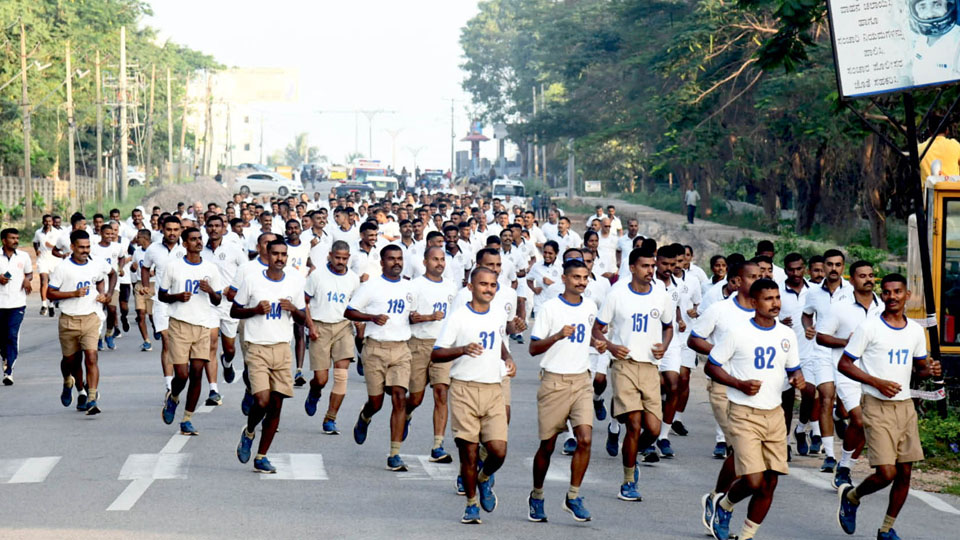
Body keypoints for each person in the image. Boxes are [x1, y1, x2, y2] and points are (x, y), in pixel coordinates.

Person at [837, 273, 940, 540]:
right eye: (886, 292)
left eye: (897, 292)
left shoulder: (916, 331)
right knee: (886, 473)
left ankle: (886, 528)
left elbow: (919, 369)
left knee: (905, 472)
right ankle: (852, 496)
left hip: (905, 406)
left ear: (907, 296)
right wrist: (876, 382)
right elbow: (845, 364)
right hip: (876, 404)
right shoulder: (869, 327)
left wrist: (931, 369)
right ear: (882, 296)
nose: (891, 296)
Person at [705, 278, 805, 540]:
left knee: (771, 481)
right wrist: (738, 382)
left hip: (774, 414)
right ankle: (725, 505)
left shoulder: (786, 334)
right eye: (768, 299)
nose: (775, 304)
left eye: (777, 298)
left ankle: (747, 534)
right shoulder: (738, 333)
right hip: (743, 412)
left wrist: (798, 378)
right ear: (754, 302)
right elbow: (711, 366)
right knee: (753, 480)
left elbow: (793, 368)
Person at [431, 266, 515, 525]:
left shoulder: (498, 314)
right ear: (471, 286)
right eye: (483, 284)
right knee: (467, 452)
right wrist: (462, 350)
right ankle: (471, 504)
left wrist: (508, 357)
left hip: (493, 388)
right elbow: (437, 353)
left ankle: (484, 477)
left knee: (498, 450)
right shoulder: (458, 317)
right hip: (465, 389)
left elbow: (497, 340)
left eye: (492, 285)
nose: (488, 289)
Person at [591, 245, 674, 502]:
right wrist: (612, 346)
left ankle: (631, 454)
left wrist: (665, 345)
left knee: (653, 429)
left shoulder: (661, 296)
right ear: (632, 268)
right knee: (634, 424)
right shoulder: (617, 295)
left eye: (653, 266)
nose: (651, 271)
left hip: (650, 367)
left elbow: (668, 327)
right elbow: (597, 329)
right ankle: (628, 480)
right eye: (645, 266)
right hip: (624, 365)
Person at [527, 259, 604, 523]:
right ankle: (537, 495)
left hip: (582, 380)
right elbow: (534, 348)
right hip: (554, 381)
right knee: (547, 445)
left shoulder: (591, 305)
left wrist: (600, 343)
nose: (581, 282)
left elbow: (590, 334)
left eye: (585, 277)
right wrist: (558, 336)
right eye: (576, 278)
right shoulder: (550, 308)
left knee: (585, 438)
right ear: (564, 278)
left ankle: (573, 496)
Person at [232, 240, 307, 473]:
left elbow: (303, 318)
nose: (280, 258)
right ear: (267, 253)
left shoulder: (295, 281)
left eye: (284, 254)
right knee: (262, 400)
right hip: (257, 346)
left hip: (282, 348)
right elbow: (234, 310)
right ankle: (250, 430)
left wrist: (293, 309)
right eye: (275, 254)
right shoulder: (252, 280)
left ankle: (262, 455)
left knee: (276, 405)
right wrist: (254, 310)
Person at [346, 245, 415, 472]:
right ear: (382, 262)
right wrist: (371, 317)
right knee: (376, 402)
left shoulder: (409, 287)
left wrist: (418, 317)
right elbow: (350, 311)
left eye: (399, 259)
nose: (396, 262)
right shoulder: (371, 286)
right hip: (375, 348)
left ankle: (394, 453)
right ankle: (365, 416)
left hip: (401, 348)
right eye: (391, 259)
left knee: (398, 397)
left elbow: (412, 315)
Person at [816, 260, 880, 489]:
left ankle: (845, 466)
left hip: (874, 373)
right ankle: (843, 465)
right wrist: (847, 341)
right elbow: (821, 337)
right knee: (860, 419)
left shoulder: (882, 308)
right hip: (846, 372)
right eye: (862, 276)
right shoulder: (840, 308)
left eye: (871, 275)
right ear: (851, 280)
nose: (868, 279)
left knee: (866, 423)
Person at [158, 227, 222, 435]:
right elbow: (162, 295)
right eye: (193, 239)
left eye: (199, 239)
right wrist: (177, 297)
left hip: (203, 324)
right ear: (184, 244)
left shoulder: (211, 268)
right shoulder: (173, 267)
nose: (198, 242)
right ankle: (174, 396)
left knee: (197, 373)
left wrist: (210, 290)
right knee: (182, 375)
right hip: (179, 324)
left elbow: (218, 299)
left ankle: (187, 418)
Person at [48, 230, 115, 415]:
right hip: (69, 319)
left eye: (87, 247)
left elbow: (112, 274)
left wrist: (107, 295)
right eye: (81, 247)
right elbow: (50, 293)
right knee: (71, 360)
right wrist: (73, 294)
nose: (85, 251)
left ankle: (91, 397)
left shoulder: (96, 263)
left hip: (91, 317)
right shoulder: (63, 268)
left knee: (91, 357)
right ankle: (71, 383)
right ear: (72, 247)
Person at [801, 249, 853, 471]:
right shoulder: (813, 293)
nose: (833, 269)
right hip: (821, 351)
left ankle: (839, 417)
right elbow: (806, 313)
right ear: (823, 266)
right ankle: (830, 455)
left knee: (843, 407)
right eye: (829, 264)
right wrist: (808, 327)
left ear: (843, 267)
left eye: (838, 265)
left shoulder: (851, 292)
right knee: (825, 397)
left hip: (845, 354)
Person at [406, 246, 458, 462]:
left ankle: (438, 445)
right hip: (419, 344)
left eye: (442, 259)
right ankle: (406, 413)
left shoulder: (452, 287)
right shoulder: (415, 285)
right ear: (425, 262)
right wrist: (428, 317)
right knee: (416, 398)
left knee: (441, 393)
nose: (439, 263)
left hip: (443, 345)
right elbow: (408, 317)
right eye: (435, 259)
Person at [303, 240, 361, 434]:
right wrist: (310, 325)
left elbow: (356, 306)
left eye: (344, 258)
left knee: (341, 376)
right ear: (330, 255)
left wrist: (359, 328)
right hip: (320, 327)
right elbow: (305, 303)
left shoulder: (353, 278)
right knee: (321, 379)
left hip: (343, 327)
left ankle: (330, 418)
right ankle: (315, 392)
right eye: (337, 257)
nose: (341, 261)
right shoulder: (317, 276)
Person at [141, 216, 187, 392]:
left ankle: (181, 375)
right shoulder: (153, 249)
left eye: (176, 230)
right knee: (167, 342)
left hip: (183, 302)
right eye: (169, 229)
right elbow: (145, 268)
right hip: (162, 302)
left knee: (181, 344)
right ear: (162, 229)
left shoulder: (186, 249)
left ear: (180, 230)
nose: (172, 233)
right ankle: (169, 385)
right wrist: (146, 286)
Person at [0, 228, 33, 385]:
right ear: (4, 240)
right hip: (0, 303)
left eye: (17, 238)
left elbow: (29, 273)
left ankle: (9, 370)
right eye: (12, 238)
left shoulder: (24, 256)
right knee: (2, 336)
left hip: (17, 303)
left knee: (12, 335)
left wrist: (27, 280)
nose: (15, 240)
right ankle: (5, 357)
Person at [33, 214, 60, 317]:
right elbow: (35, 242)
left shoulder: (57, 233)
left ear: (52, 222)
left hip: (54, 261)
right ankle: (44, 305)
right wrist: (37, 250)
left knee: (52, 285)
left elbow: (61, 247)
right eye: (46, 221)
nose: (48, 223)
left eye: (50, 221)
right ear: (42, 222)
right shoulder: (38, 232)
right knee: (44, 281)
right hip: (42, 260)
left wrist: (52, 246)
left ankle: (51, 304)